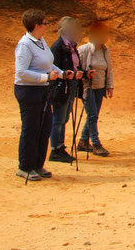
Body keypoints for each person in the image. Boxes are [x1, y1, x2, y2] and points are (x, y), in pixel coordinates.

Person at [14, 9, 64, 181]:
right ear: (36, 25)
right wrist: (45, 78)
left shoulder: (41, 41)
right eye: (44, 23)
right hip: (28, 90)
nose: (46, 26)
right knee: (31, 128)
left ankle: (37, 164)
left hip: (43, 89)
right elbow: (21, 72)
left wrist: (64, 73)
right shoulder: (25, 45)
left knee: (44, 127)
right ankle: (25, 166)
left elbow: (49, 64)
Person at [49, 16, 85, 163]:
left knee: (64, 118)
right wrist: (67, 75)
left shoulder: (71, 46)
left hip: (70, 85)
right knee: (58, 118)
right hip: (61, 87)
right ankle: (55, 149)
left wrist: (83, 73)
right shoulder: (58, 47)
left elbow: (75, 65)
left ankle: (60, 147)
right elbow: (54, 68)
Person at [78, 22, 115, 157]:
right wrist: (85, 75)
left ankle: (83, 141)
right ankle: (96, 143)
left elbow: (108, 69)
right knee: (92, 115)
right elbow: (78, 69)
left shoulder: (105, 50)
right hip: (88, 88)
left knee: (93, 116)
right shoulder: (84, 50)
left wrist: (109, 86)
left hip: (100, 87)